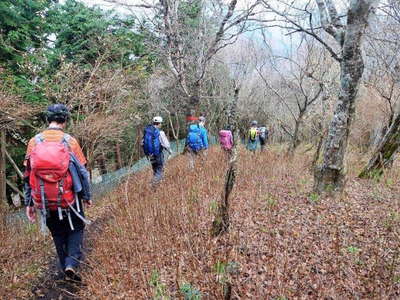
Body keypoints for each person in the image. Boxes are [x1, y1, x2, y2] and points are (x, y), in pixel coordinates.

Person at [24, 104, 91, 281]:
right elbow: (83, 171)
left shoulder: (34, 142)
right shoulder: (69, 141)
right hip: (70, 198)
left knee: (57, 233)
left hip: (44, 200)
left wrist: (29, 203)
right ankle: (71, 263)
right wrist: (86, 195)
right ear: (65, 120)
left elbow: (27, 175)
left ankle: (65, 266)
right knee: (76, 228)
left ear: (48, 119)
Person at [143, 116, 172, 184]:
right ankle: (152, 183)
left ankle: (156, 188)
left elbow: (143, 143)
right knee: (160, 170)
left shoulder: (147, 132)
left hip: (150, 155)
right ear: (158, 123)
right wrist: (170, 151)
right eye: (161, 123)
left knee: (155, 170)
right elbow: (166, 145)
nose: (161, 124)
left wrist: (147, 154)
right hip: (158, 154)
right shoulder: (160, 133)